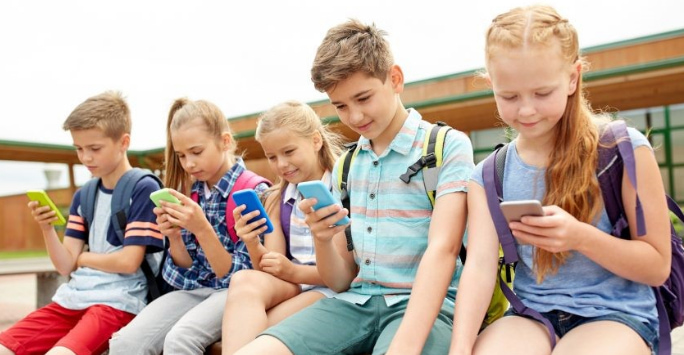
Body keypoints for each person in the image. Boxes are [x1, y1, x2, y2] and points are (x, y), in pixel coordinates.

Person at [235, 19, 474, 355]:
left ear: (394, 79)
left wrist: (405, 342)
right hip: (354, 304)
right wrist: (321, 238)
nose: (355, 116)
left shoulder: (445, 146)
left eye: (363, 98)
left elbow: (444, 250)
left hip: (429, 305)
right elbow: (341, 279)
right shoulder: (347, 165)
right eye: (341, 106)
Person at [449, 5, 670, 355]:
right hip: (532, 315)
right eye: (509, 96)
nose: (526, 110)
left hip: (617, 315)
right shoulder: (489, 175)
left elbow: (657, 266)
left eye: (541, 93)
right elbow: (478, 268)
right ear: (491, 85)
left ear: (573, 77)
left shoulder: (623, 150)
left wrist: (581, 237)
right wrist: (460, 348)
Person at [0, 91, 164, 355]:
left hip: (117, 303)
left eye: (94, 149)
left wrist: (85, 259)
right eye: (79, 148)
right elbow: (66, 263)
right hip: (72, 299)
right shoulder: (85, 194)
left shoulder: (142, 188)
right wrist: (47, 228)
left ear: (124, 142)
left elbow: (128, 262)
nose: (85, 158)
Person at [108, 98, 270, 355]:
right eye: (181, 155)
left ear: (225, 142)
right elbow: (183, 274)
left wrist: (202, 228)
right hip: (195, 291)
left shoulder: (254, 191)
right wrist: (174, 237)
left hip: (234, 294)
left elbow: (239, 277)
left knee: (180, 340)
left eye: (196, 152)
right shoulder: (191, 193)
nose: (189, 164)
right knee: (125, 342)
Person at [221, 100, 346, 354]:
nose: (281, 164)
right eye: (272, 157)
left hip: (329, 288)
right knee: (243, 279)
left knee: (261, 328)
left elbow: (343, 277)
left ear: (315, 141)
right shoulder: (277, 198)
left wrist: (292, 271)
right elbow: (272, 267)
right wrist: (252, 243)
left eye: (289, 152)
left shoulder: (341, 187)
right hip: (294, 283)